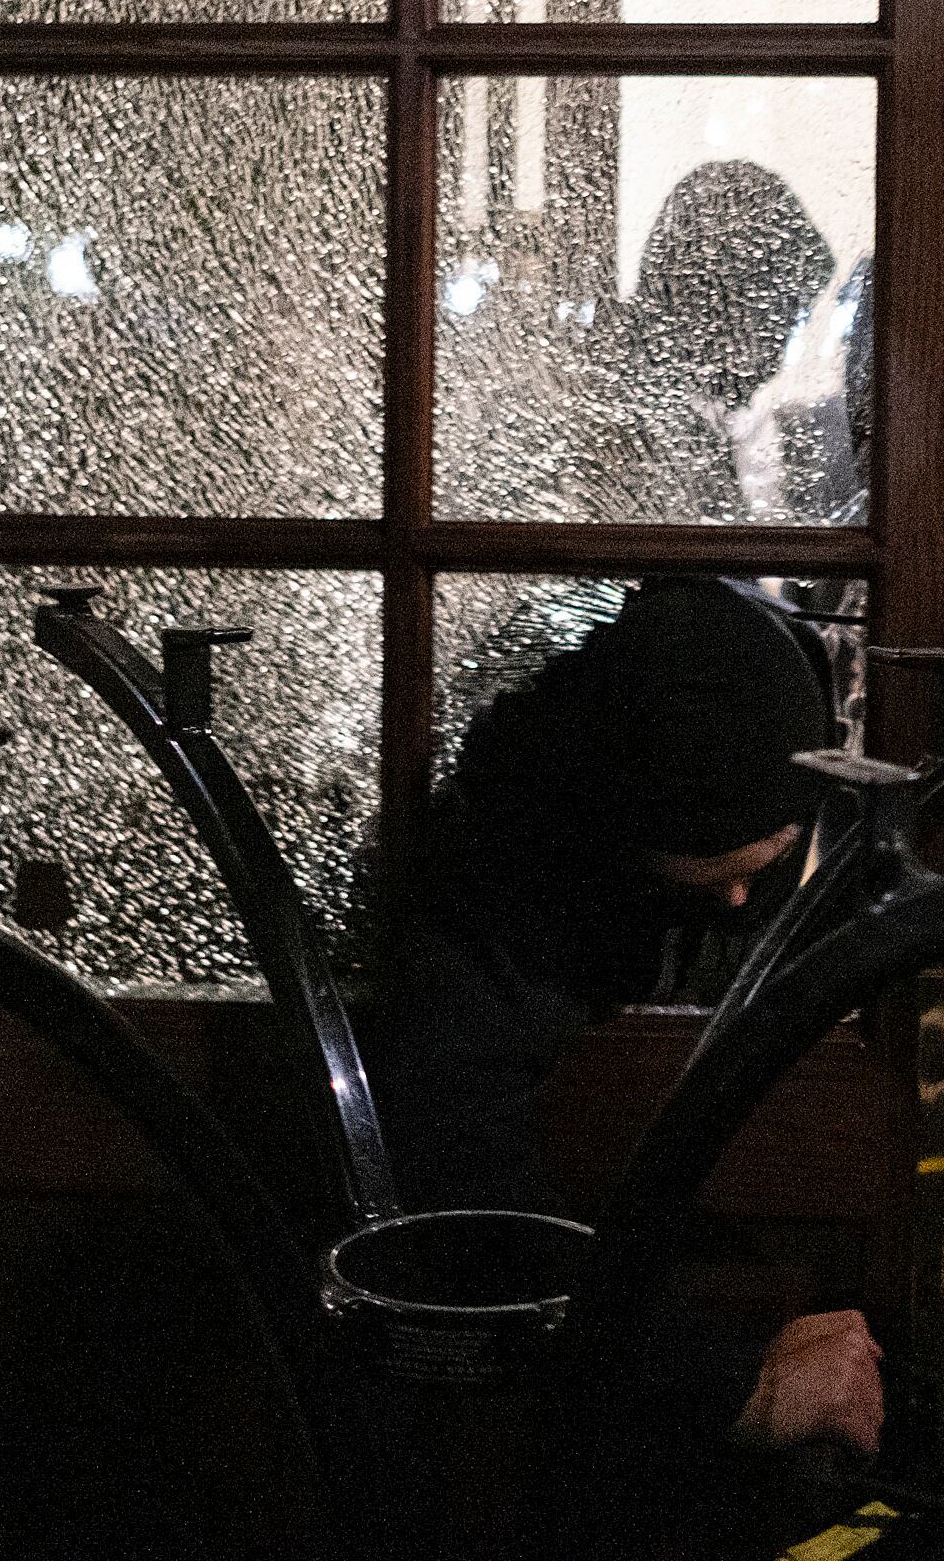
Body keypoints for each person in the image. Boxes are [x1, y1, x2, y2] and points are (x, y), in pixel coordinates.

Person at [372, 577, 885, 1458]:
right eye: (694, 875)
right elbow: (463, 1179)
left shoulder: (791, 706)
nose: (734, 899)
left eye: (763, 868)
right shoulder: (502, 857)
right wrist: (726, 1386)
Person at [576, 159, 843, 524]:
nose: (784, 340)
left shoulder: (691, 410)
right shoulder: (634, 432)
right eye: (786, 309)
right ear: (731, 301)